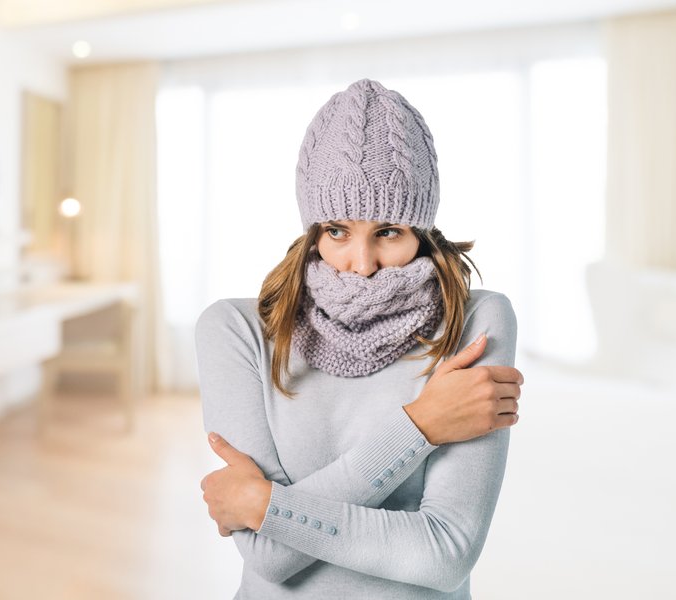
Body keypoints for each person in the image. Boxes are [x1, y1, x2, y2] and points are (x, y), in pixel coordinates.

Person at [195, 78, 523, 599]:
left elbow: (445, 554)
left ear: (421, 231)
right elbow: (268, 555)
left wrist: (268, 506)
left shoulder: (477, 322)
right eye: (337, 231)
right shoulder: (235, 331)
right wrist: (421, 426)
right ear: (313, 231)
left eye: (388, 231)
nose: (362, 265)